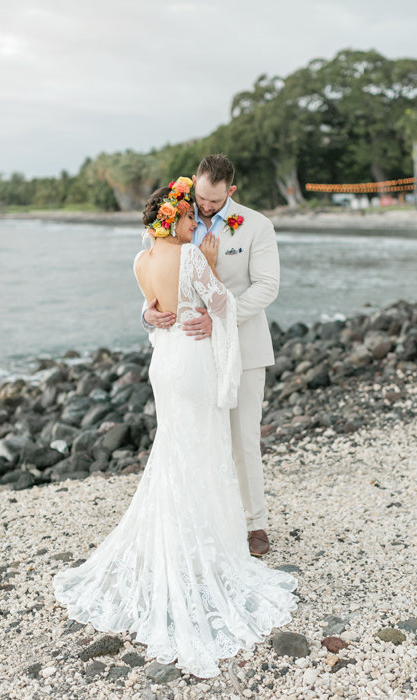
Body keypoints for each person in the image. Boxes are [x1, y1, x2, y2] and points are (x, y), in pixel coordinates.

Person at [53, 177, 297, 679]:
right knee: (202, 449)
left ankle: (211, 533)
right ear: (177, 218)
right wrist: (200, 274)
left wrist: (159, 303)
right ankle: (205, 544)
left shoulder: (145, 257)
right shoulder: (190, 254)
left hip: (164, 366)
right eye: (191, 213)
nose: (197, 216)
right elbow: (215, 304)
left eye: (202, 208)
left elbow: (161, 298)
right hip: (191, 361)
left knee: (177, 449)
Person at [142, 154, 279, 557]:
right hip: (192, 355)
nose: (204, 208)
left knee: (241, 440)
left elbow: (267, 287)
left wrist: (221, 320)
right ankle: (211, 521)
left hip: (244, 349)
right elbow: (151, 275)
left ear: (230, 192)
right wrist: (148, 313)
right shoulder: (172, 222)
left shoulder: (257, 226)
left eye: (215, 202)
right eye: (200, 198)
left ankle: (256, 525)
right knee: (198, 438)